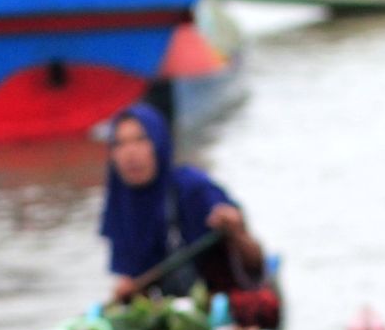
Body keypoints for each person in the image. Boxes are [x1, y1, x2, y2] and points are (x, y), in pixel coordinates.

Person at [101, 102, 264, 304]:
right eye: (119, 144)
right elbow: (129, 275)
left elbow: (256, 265)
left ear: (159, 142)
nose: (130, 153)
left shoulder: (193, 189)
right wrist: (126, 290)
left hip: (223, 303)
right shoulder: (120, 206)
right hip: (168, 310)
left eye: (141, 140)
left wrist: (236, 231)